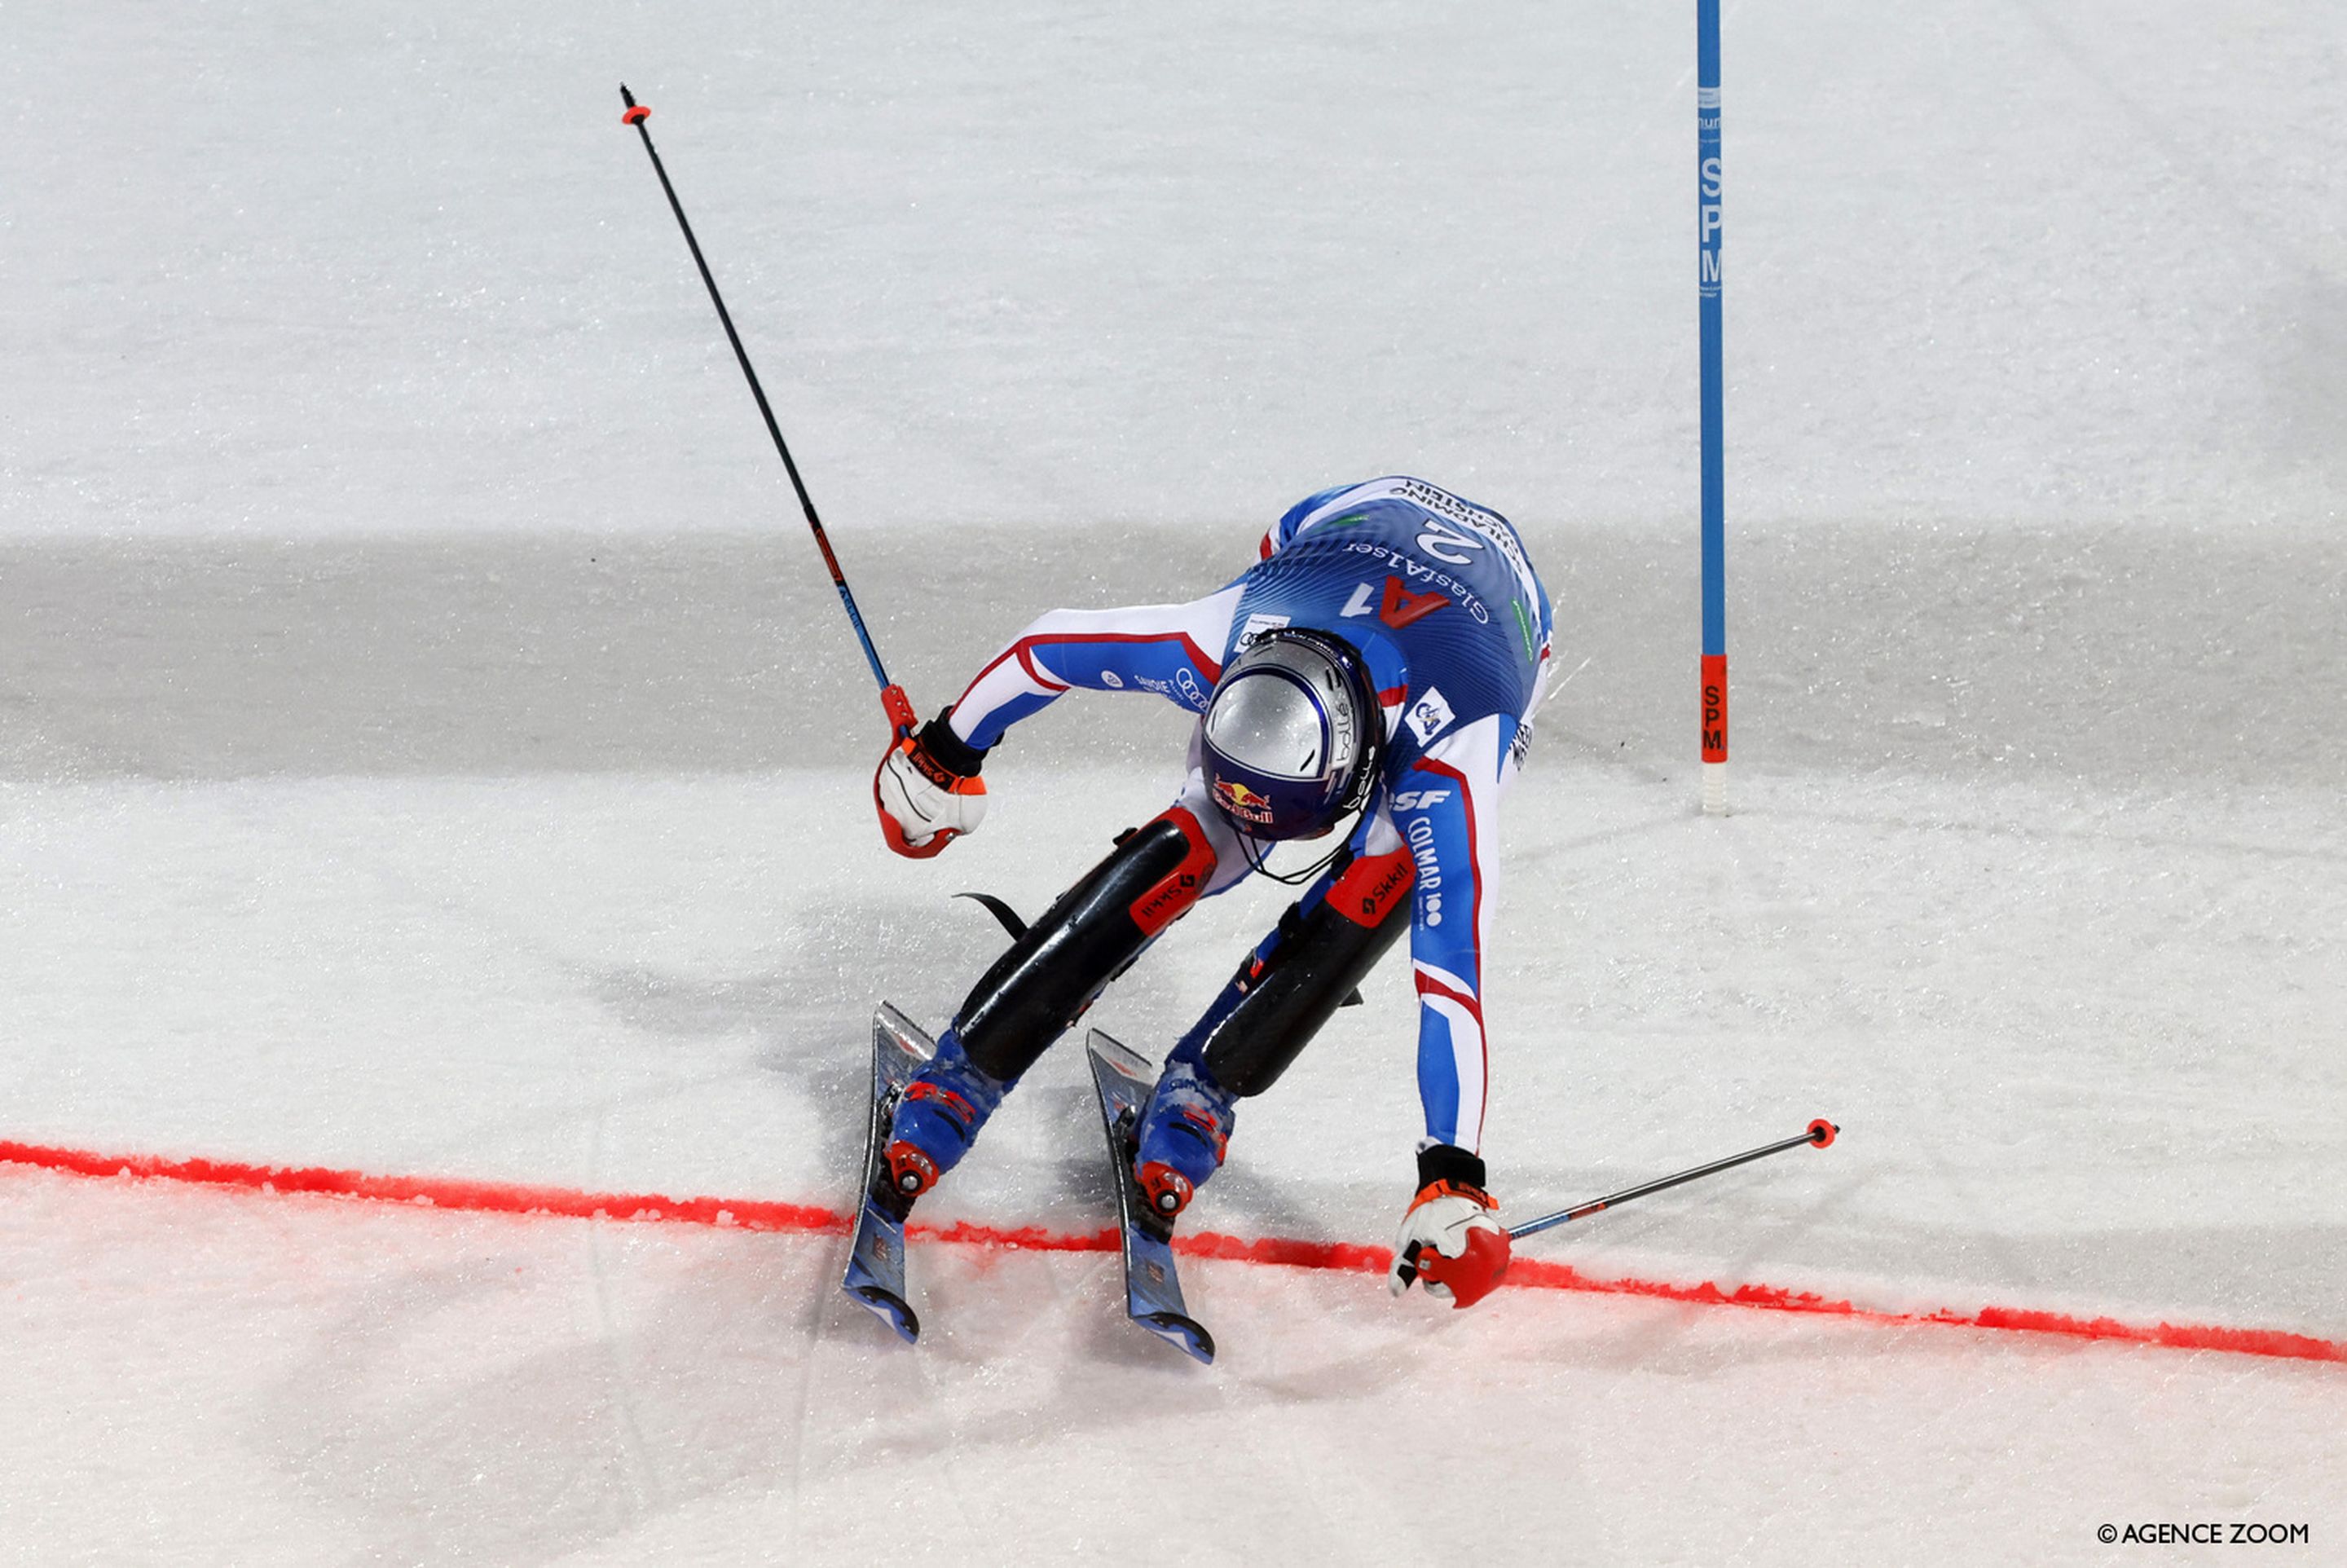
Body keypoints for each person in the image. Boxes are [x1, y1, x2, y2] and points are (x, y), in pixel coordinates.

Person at [870, 476, 1551, 1309]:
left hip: (1503, 626)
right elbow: (1052, 646)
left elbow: (1452, 972)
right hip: (1334, 524)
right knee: (1205, 834)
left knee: (1392, 869)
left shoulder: (1451, 766)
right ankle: (971, 1069)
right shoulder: (1211, 640)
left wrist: (1455, 1176)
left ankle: (1209, 1081)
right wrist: (943, 753)